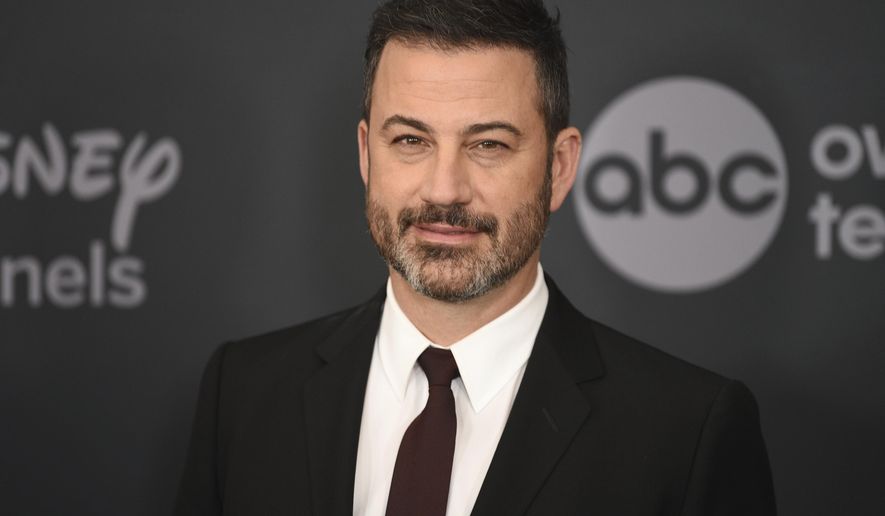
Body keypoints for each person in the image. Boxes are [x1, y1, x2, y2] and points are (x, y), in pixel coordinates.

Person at [175, 0, 777, 514]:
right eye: (410, 141)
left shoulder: (686, 432)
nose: (443, 189)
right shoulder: (245, 394)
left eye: (488, 145)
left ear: (559, 168)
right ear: (366, 155)